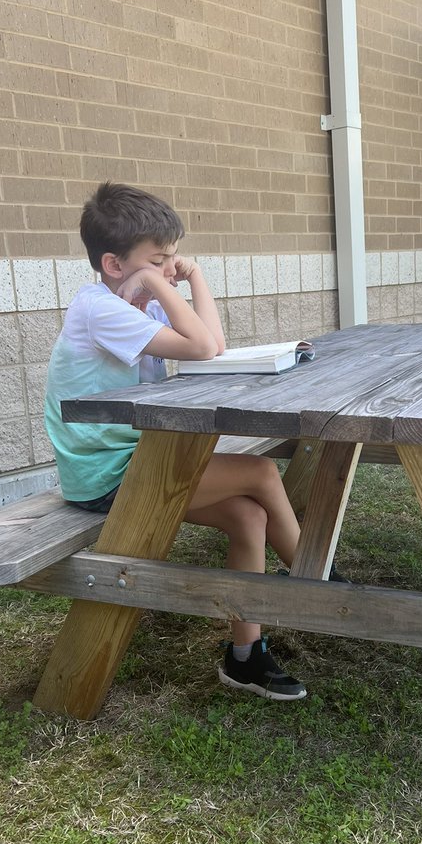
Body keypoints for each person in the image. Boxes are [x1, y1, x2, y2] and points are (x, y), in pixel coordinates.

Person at [44, 182, 307, 701]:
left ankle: (245, 658)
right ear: (115, 264)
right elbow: (204, 347)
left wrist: (193, 279)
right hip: (104, 477)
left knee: (248, 516)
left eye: (173, 257)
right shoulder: (101, 309)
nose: (173, 266)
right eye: (160, 259)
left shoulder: (138, 301)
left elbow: (212, 344)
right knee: (261, 472)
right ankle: (321, 585)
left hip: (134, 460)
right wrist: (165, 287)